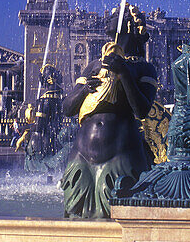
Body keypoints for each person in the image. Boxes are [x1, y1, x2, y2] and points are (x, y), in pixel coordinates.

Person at [61, 41, 157, 219]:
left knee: (118, 217)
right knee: (75, 216)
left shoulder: (144, 68)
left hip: (121, 154)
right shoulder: (93, 66)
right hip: (82, 156)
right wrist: (84, 91)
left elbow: (141, 110)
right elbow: (67, 109)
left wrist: (124, 74)